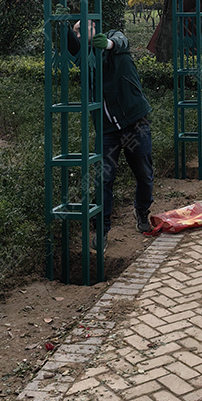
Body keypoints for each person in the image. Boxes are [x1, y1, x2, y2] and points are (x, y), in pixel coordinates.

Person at [68, 20, 154, 250]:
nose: (79, 35)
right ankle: (102, 229)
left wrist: (107, 43)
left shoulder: (114, 40)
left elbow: (121, 41)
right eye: (76, 32)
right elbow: (69, 45)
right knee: (103, 178)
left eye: (82, 30)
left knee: (144, 173)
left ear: (94, 26)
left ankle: (142, 210)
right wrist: (61, 25)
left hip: (134, 121)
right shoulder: (85, 56)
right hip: (107, 129)